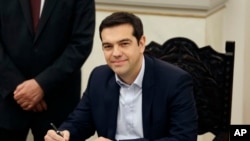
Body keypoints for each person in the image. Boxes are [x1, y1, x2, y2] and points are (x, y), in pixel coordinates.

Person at [44, 11, 197, 141]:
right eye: (108, 46)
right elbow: (80, 121)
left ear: (141, 43)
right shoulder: (99, 77)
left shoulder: (175, 81)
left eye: (124, 44)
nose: (116, 53)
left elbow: (183, 138)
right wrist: (65, 133)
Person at [0, 0, 95, 141]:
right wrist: (20, 88)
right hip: (8, 99)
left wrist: (42, 85)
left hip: (58, 101)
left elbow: (81, 43)